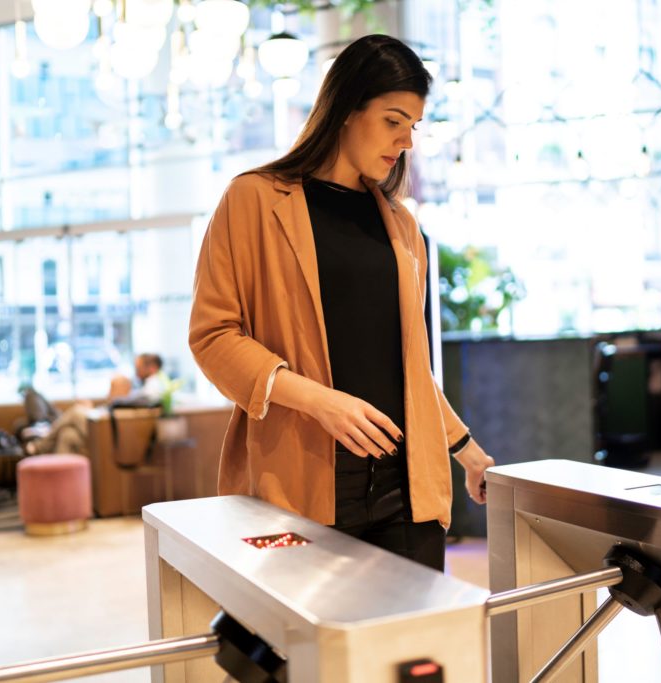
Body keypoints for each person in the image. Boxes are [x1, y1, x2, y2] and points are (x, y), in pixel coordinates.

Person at [189, 34, 495, 572]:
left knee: (408, 651)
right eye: (393, 120)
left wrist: (467, 452)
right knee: (309, 651)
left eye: (413, 127)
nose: (406, 141)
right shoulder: (254, 200)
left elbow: (409, 368)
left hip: (407, 496)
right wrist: (320, 401)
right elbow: (214, 336)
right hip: (302, 486)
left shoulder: (401, 226)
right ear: (347, 110)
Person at [26, 352, 170, 456]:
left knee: (76, 411)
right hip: (107, 424)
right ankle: (57, 484)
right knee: (67, 435)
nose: (137, 373)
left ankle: (40, 445)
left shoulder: (154, 384)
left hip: (110, 430)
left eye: (139, 368)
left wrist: (115, 402)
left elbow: (141, 401)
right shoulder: (147, 385)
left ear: (152, 368)